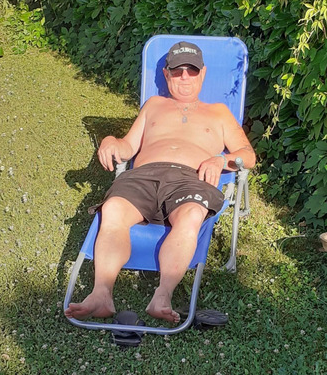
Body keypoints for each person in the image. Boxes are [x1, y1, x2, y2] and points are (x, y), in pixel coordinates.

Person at [65, 41, 256, 323]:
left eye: (192, 71)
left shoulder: (219, 113)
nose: (184, 78)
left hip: (190, 179)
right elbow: (128, 147)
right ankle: (101, 294)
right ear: (166, 74)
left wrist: (220, 160)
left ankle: (163, 295)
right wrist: (110, 140)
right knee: (113, 209)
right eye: (177, 71)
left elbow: (248, 156)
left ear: (203, 74)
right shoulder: (153, 105)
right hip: (143, 176)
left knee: (191, 215)